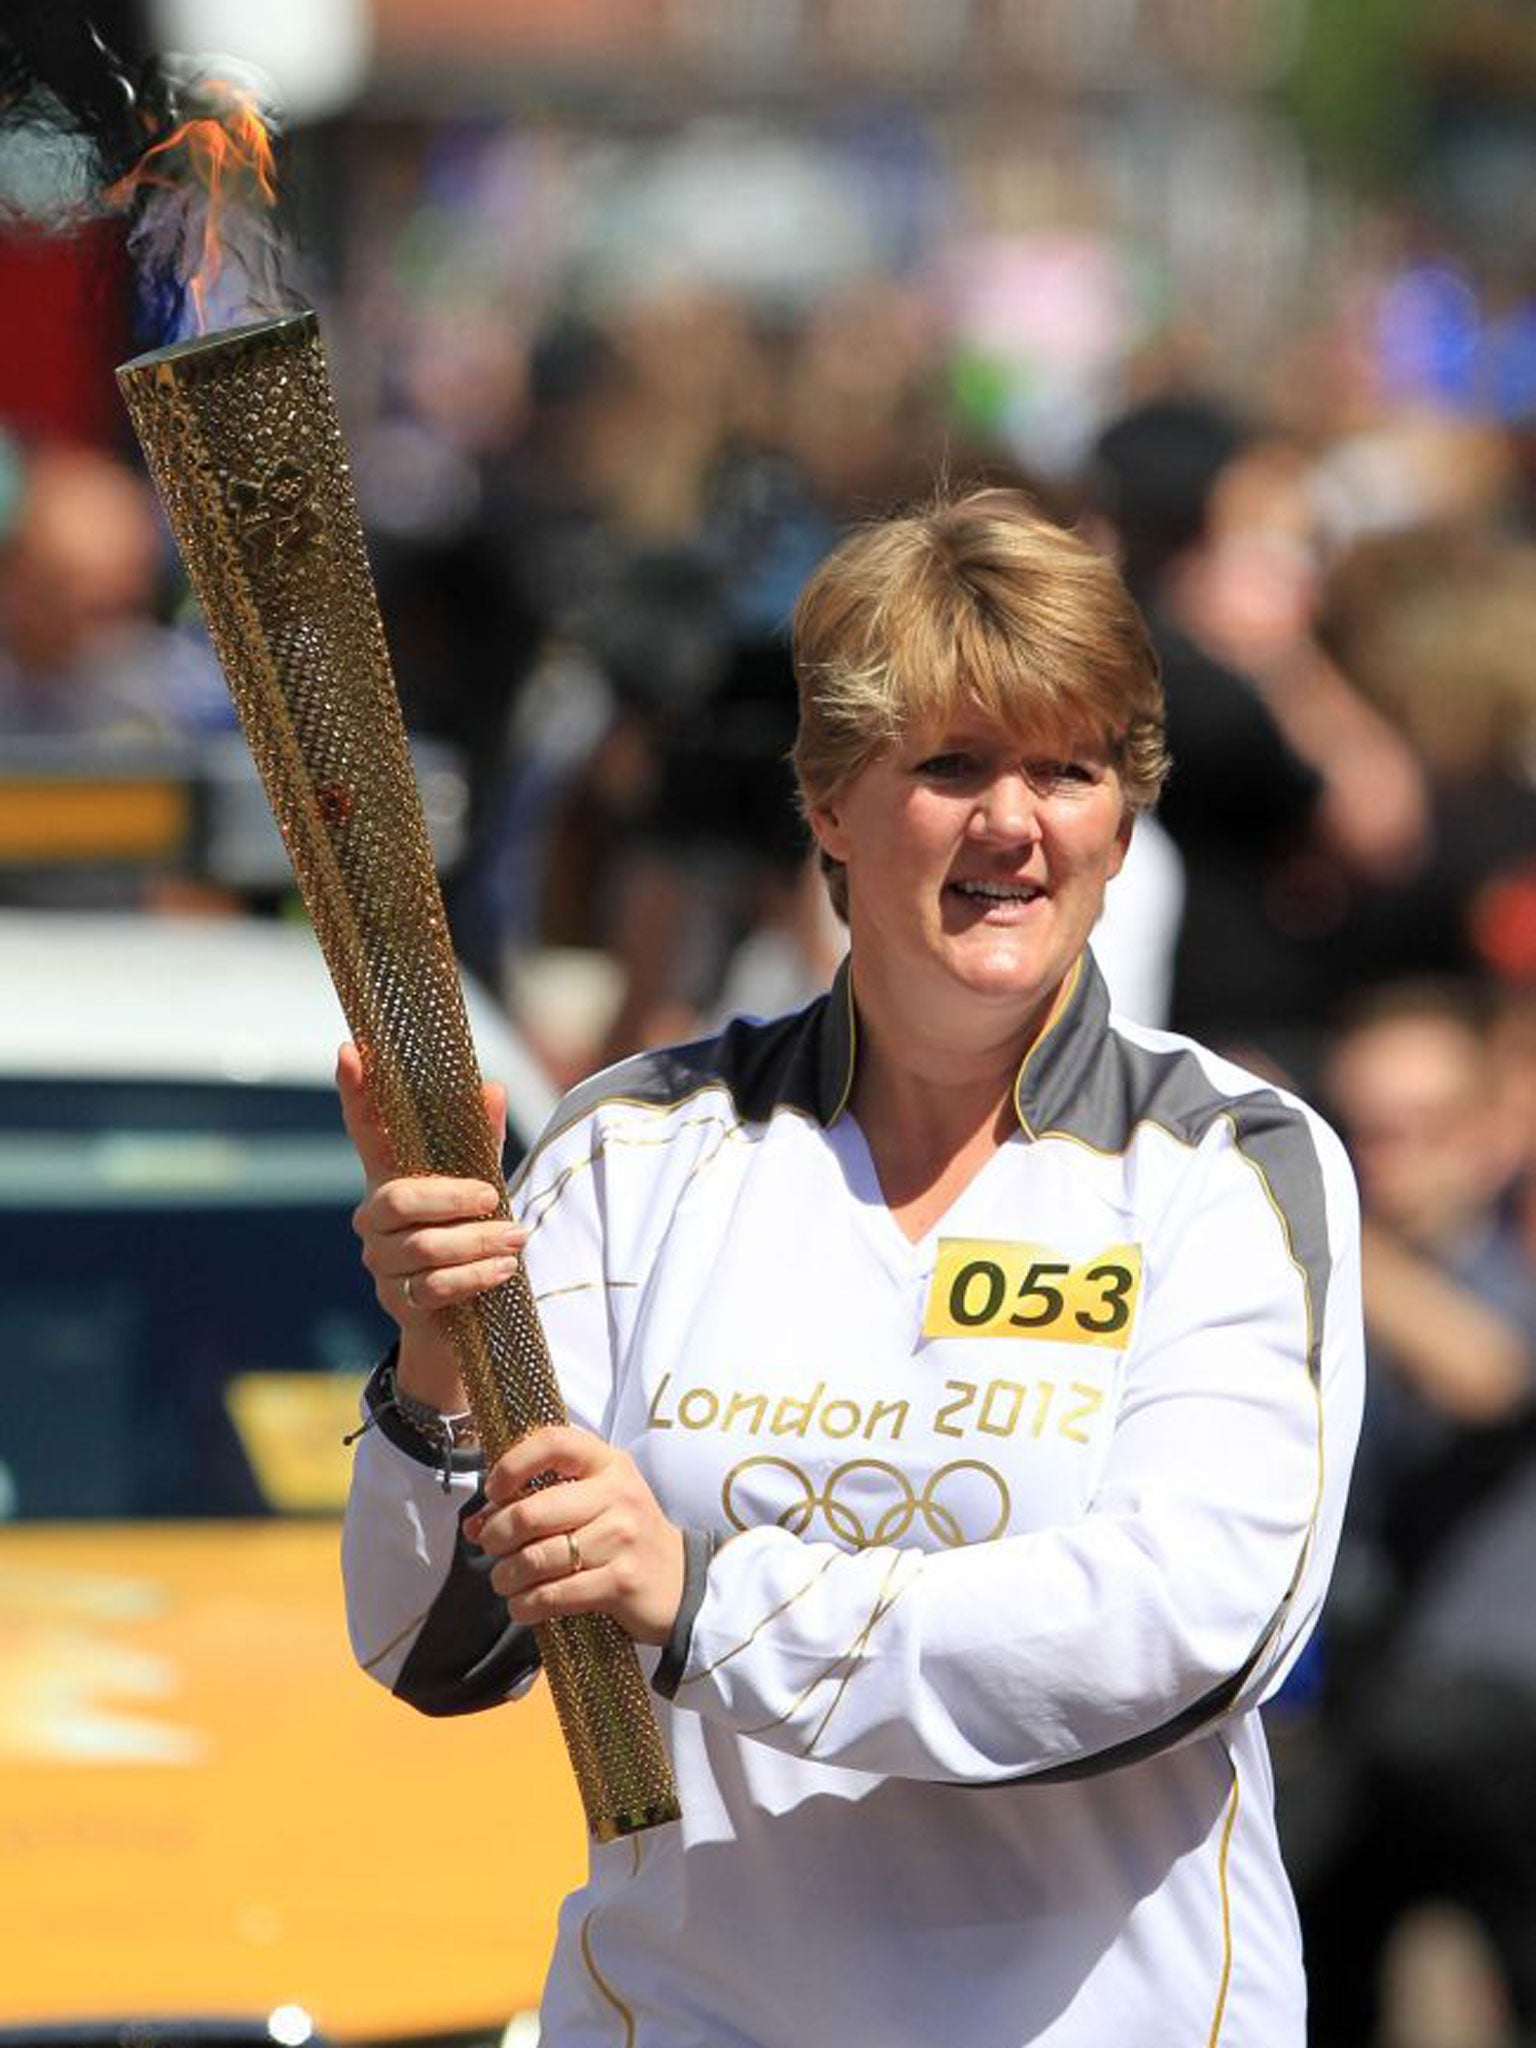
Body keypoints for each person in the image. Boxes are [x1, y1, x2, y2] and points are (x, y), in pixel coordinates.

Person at [339, 488, 1364, 2046]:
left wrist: (702, 1601)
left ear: (1123, 816)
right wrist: (437, 1366)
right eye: (949, 766)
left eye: (1068, 771)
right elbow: (436, 1653)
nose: (1012, 825)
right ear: (827, 799)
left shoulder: (1225, 1166)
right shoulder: (637, 1145)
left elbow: (1189, 1628)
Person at [1296, 982, 1536, 2044]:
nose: (1386, 1159)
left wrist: (1309, 1200)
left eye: (1420, 1128)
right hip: (1371, 1725)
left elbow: (1487, 1369)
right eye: (1361, 1131)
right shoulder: (1308, 1294)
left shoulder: (1495, 1268)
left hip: (1496, 1723)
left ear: (1492, 1136)